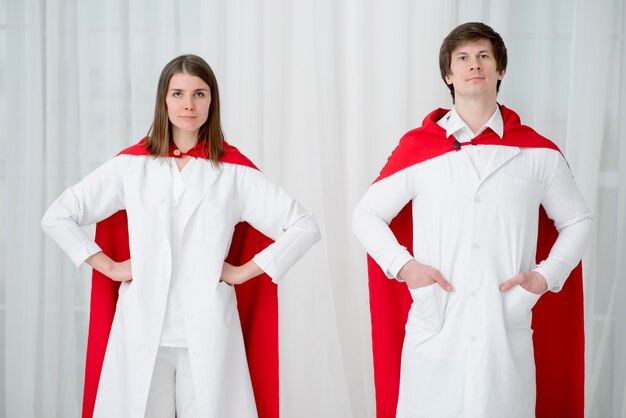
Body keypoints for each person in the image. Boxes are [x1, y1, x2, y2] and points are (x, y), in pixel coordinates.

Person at [42, 54, 320, 418]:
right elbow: (58, 215)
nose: (188, 104)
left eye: (199, 94)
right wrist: (107, 265)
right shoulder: (131, 166)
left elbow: (304, 226)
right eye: (178, 94)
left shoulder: (234, 173)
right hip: (144, 333)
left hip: (206, 333)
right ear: (164, 100)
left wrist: (241, 272)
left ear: (211, 101)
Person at [352, 22, 592, 418]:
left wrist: (545, 276)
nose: (473, 65)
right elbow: (367, 214)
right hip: (437, 325)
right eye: (462, 58)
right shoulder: (420, 150)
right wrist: (404, 266)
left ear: (500, 70)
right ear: (448, 75)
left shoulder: (538, 153)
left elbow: (578, 222)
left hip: (505, 326)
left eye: (484, 56)